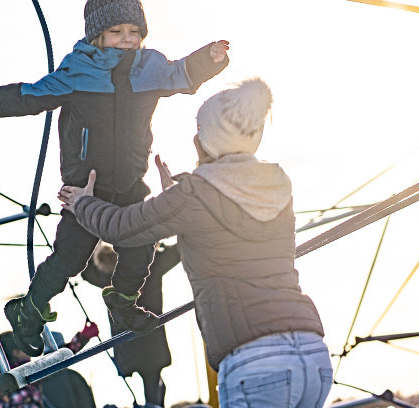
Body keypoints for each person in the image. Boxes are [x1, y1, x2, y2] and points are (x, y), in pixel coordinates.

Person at [0, 0, 229, 358]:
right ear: (97, 35)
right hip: (85, 187)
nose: (126, 39)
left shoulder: (150, 68)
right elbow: (33, 95)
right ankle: (29, 310)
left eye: (134, 32)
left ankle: (123, 299)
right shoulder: (79, 70)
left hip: (131, 179)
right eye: (116, 32)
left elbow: (182, 73)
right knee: (71, 257)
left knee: (142, 243)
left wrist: (209, 59)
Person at [58, 78, 333, 407]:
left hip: (256, 360)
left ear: (203, 141)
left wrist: (82, 203)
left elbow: (122, 229)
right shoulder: (277, 182)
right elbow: (225, 220)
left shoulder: (193, 196)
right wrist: (176, 195)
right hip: (312, 353)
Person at [82, 241, 180, 407]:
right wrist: (153, 239)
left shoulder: (105, 272)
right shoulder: (152, 263)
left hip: (125, 341)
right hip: (150, 336)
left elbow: (85, 269)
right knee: (154, 387)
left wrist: (97, 239)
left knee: (148, 387)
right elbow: (177, 251)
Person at [0, 328, 99, 408]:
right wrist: (83, 337)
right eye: (25, 348)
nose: (29, 351)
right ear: (16, 353)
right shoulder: (24, 373)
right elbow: (57, 361)